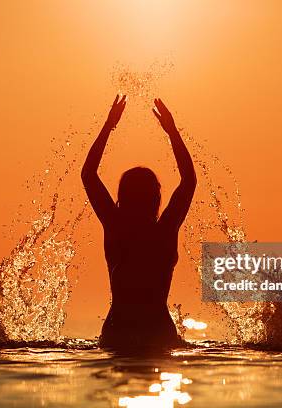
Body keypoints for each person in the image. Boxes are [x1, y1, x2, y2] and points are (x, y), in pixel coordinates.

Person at [81, 95, 197, 352]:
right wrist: (172, 132)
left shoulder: (115, 226)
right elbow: (188, 180)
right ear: (157, 198)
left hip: (117, 331)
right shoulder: (164, 230)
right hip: (158, 331)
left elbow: (88, 174)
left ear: (121, 196)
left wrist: (109, 126)